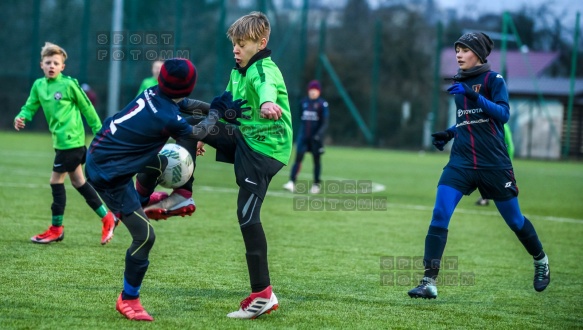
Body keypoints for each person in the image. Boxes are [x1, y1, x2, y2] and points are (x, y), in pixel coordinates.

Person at [152, 11, 292, 319]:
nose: (236, 49)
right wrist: (206, 133)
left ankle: (263, 295)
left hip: (265, 149)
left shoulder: (263, 70)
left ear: (261, 43)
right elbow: (227, 107)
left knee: (246, 215)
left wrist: (269, 104)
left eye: (243, 44)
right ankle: (183, 195)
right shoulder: (238, 72)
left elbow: (267, 90)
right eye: (234, 43)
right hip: (245, 135)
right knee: (189, 124)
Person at [85, 58, 247, 321]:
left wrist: (222, 112)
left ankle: (145, 201)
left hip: (106, 154)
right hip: (109, 175)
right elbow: (198, 131)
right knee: (145, 236)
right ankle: (128, 299)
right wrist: (217, 112)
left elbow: (186, 106)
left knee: (159, 161)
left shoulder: (153, 93)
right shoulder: (164, 116)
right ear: (189, 85)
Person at [407, 32, 550, 299]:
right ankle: (428, 282)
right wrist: (449, 133)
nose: (459, 54)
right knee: (440, 213)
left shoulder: (493, 80)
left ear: (479, 55)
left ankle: (540, 260)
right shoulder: (460, 83)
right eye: (457, 49)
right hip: (461, 161)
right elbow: (468, 120)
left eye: (464, 49)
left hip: (493, 164)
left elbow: (502, 115)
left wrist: (473, 97)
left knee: (515, 221)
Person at [13, 42, 116, 245]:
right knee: (78, 182)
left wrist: (100, 133)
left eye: (56, 63)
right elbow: (30, 106)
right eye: (48, 62)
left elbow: (87, 107)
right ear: (41, 64)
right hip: (60, 143)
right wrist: (21, 116)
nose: (51, 66)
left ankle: (56, 228)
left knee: (55, 181)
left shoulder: (69, 84)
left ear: (62, 67)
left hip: (73, 142)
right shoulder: (39, 86)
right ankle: (107, 217)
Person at [283, 80, 329, 194]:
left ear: (319, 92)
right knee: (298, 159)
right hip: (303, 136)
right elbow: (300, 117)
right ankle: (292, 182)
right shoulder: (303, 102)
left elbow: (325, 122)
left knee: (316, 161)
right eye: (311, 90)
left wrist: (319, 135)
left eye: (315, 90)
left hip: (315, 138)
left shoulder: (322, 104)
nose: (313, 93)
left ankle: (316, 184)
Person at [475, 123, 514, 206]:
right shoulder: (486, 124)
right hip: (489, 158)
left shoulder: (503, 126)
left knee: (499, 181)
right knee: (487, 179)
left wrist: (508, 159)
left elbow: (509, 144)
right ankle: (485, 198)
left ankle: (505, 198)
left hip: (501, 160)